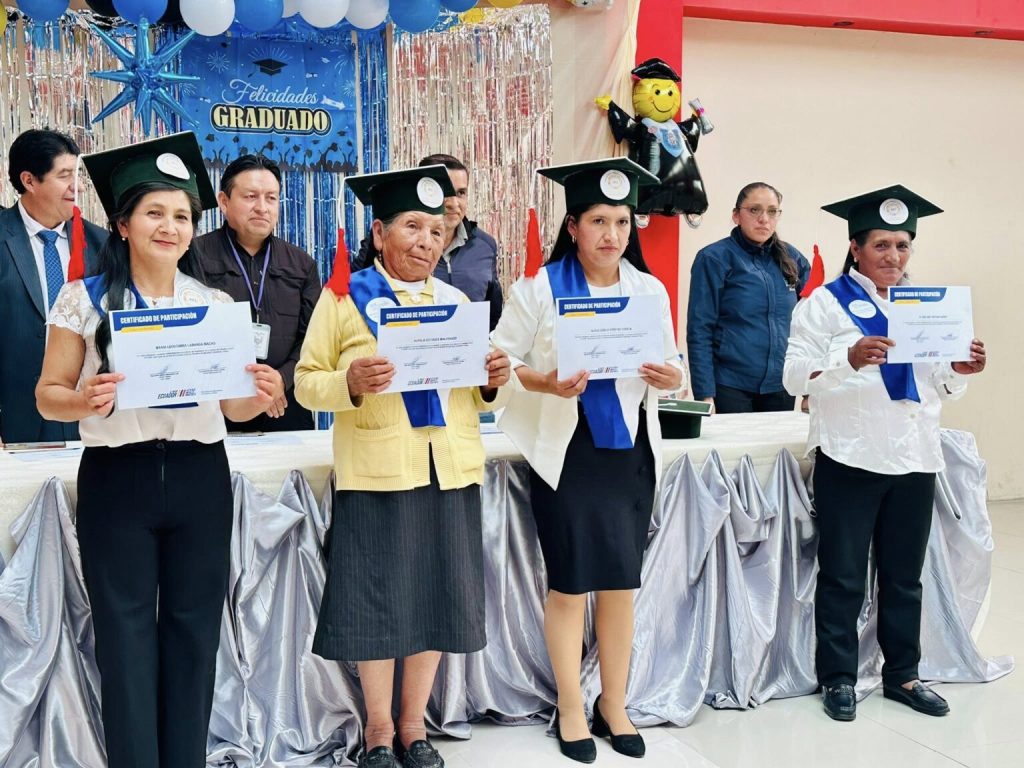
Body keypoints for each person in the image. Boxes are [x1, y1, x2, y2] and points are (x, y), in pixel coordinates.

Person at [35, 132, 284, 768]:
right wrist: (83, 400)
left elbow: (231, 408)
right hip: (118, 478)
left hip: (200, 475)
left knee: (194, 632)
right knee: (123, 638)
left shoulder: (215, 306)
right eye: (154, 213)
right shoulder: (83, 300)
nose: (170, 227)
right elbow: (47, 396)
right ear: (122, 224)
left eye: (181, 216)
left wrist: (261, 395)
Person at [295, 165, 510, 768]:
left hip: (450, 469)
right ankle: (378, 731)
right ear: (379, 233)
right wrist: (349, 382)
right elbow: (305, 382)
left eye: (437, 231)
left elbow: (476, 397)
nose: (426, 241)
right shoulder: (344, 298)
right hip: (378, 472)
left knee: (437, 596)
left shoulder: (457, 303)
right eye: (412, 227)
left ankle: (415, 727)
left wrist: (492, 381)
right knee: (377, 603)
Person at [490, 158, 685, 763]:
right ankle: (571, 705)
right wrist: (544, 383)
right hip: (568, 454)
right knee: (571, 584)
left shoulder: (648, 290)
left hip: (629, 452)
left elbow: (673, 366)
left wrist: (670, 376)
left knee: (621, 584)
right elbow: (498, 361)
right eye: (599, 221)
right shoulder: (539, 288)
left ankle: (614, 702)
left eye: (623, 222)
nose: (612, 235)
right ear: (573, 226)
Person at [783, 185, 987, 723]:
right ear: (855, 247)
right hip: (851, 455)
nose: (893, 256)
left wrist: (959, 371)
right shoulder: (823, 304)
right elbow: (792, 377)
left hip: (916, 457)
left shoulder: (930, 307)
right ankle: (839, 678)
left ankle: (903, 675)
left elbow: (939, 383)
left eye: (902, 245)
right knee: (843, 575)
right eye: (881, 245)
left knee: (904, 576)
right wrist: (848, 360)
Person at [194, 153, 320, 431]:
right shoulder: (193, 257)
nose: (262, 207)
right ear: (224, 201)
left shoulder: (301, 264)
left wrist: (280, 380)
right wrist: (245, 388)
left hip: (285, 405)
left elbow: (314, 338)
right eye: (251, 196)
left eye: (271, 198)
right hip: (216, 406)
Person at [0, 129, 108, 443]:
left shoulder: (101, 244)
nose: (78, 186)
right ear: (29, 181)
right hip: (14, 416)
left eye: (78, 175)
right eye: (64, 176)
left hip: (88, 415)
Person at [687, 182, 810, 413]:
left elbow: (809, 327)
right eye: (754, 210)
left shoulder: (794, 259)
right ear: (736, 215)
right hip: (729, 386)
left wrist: (809, 389)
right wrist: (704, 394)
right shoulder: (714, 258)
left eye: (772, 211)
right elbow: (700, 329)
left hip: (780, 386)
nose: (764, 219)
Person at [355, 153, 503, 329]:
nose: (453, 203)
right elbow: (358, 294)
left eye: (461, 193)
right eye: (445, 192)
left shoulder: (485, 246)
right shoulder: (385, 245)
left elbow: (493, 315)